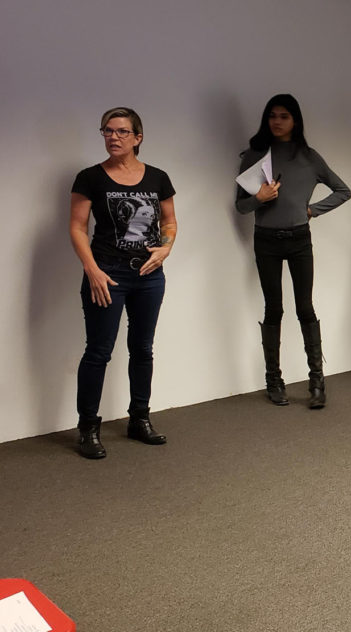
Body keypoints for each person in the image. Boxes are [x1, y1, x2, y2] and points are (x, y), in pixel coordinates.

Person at [69, 107, 178, 459]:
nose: (113, 137)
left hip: (148, 275)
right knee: (99, 351)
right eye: (107, 131)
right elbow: (77, 227)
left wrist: (165, 249)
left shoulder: (158, 177)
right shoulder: (90, 178)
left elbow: (170, 222)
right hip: (107, 273)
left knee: (142, 349)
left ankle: (139, 419)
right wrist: (92, 270)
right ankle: (87, 428)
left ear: (138, 137)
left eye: (121, 131)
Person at [236, 94, 351, 409]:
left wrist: (312, 210)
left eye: (284, 115)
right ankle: (274, 380)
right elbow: (241, 206)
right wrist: (259, 197)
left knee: (305, 308)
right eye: (272, 115)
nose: (277, 121)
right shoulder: (255, 156)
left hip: (299, 239)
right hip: (266, 241)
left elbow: (344, 191)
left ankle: (317, 382)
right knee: (274, 309)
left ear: (295, 120)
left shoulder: (309, 156)